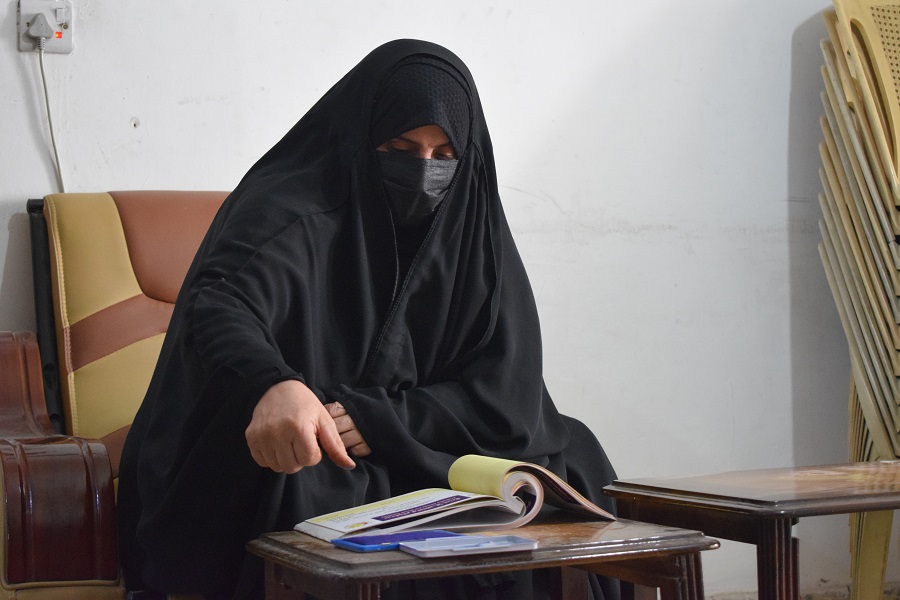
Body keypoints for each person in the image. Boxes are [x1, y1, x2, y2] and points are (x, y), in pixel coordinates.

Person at [117, 39, 619, 600]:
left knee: (576, 456)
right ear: (362, 137)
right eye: (400, 148)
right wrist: (273, 384)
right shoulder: (293, 210)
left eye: (444, 155)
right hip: (321, 438)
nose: (422, 172)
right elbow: (218, 305)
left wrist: (385, 418)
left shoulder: (470, 226)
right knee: (301, 475)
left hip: (414, 441)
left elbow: (508, 391)